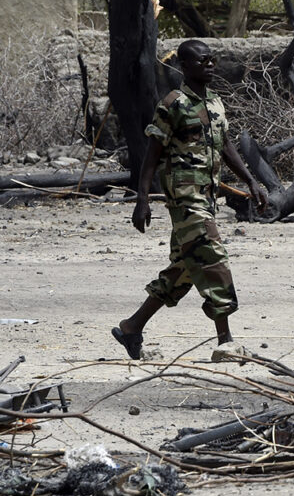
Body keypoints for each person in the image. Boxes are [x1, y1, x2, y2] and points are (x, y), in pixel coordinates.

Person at [111, 39, 269, 363]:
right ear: (185, 66)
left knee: (183, 269)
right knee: (212, 257)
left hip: (207, 197)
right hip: (185, 199)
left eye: (212, 60)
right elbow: (150, 156)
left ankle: (131, 327)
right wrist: (142, 200)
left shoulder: (216, 104)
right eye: (202, 61)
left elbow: (227, 147)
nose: (209, 65)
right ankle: (226, 341)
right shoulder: (173, 104)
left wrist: (251, 181)